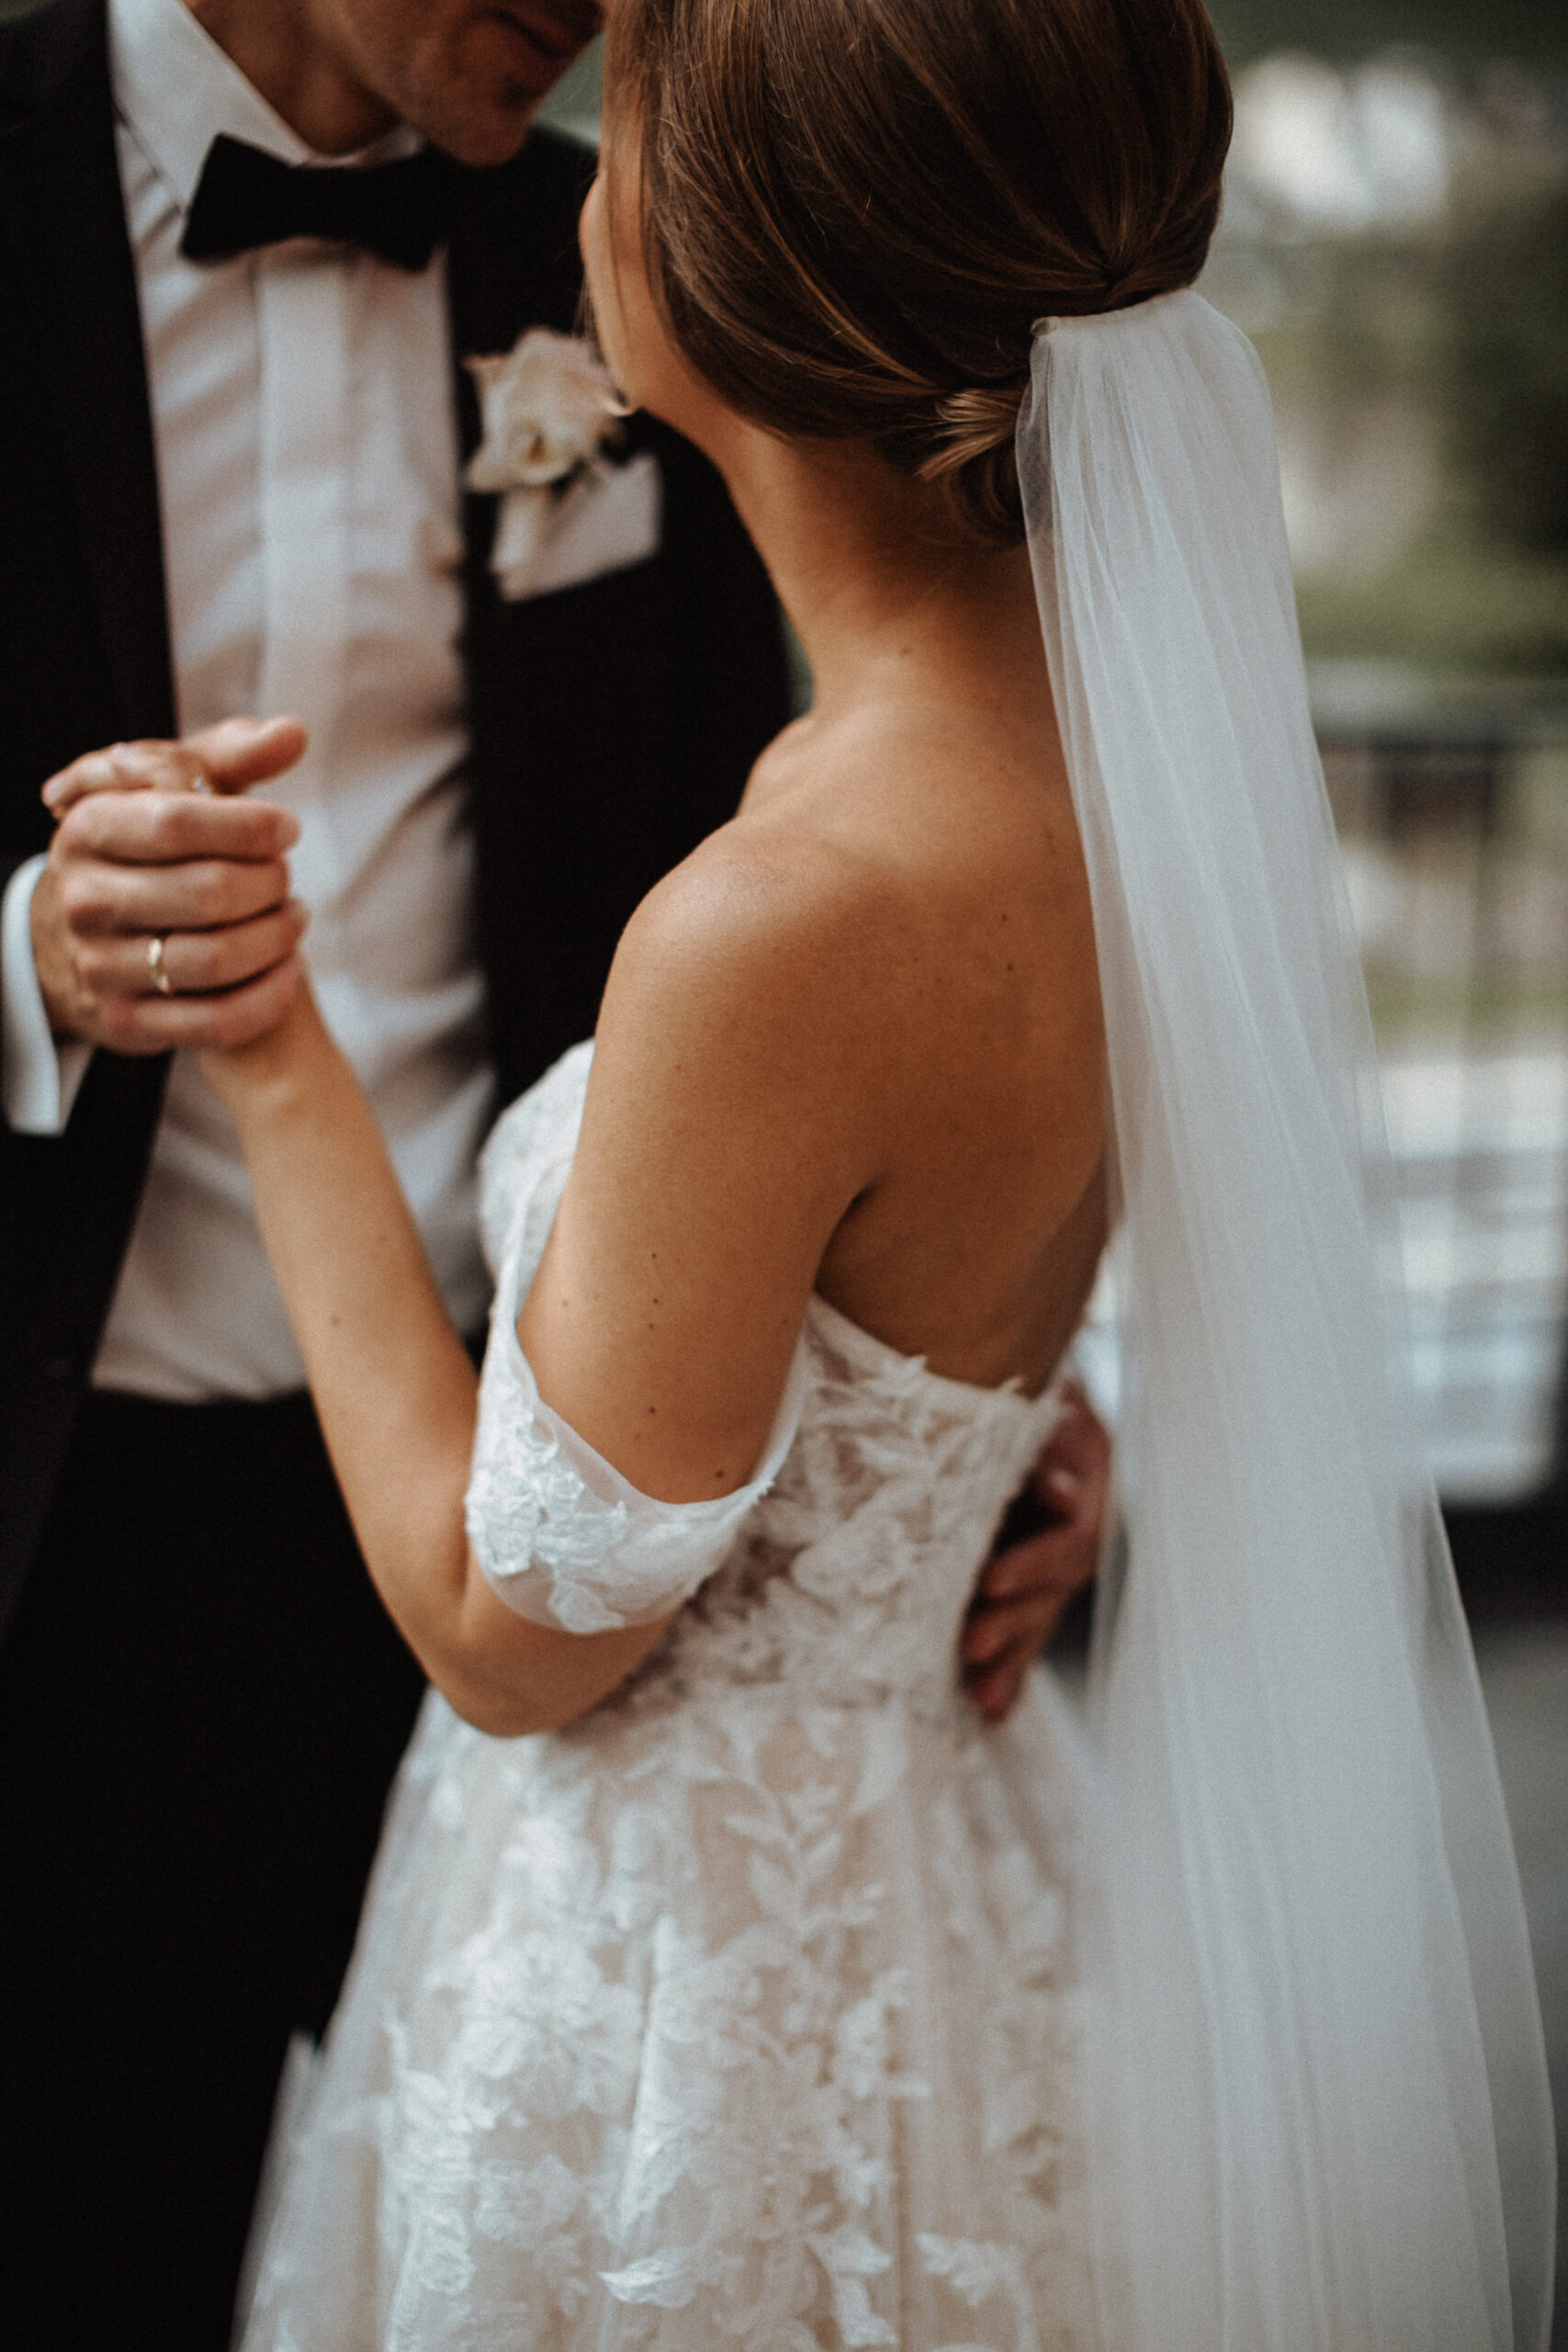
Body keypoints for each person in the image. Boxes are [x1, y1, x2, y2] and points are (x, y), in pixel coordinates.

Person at [41, 0, 1558, 2346]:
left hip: (647, 1931)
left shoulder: (781, 909)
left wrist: (265, 1032)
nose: (585, 131)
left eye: (629, 124)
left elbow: (501, 1624)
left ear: (718, 274)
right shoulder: (1142, 775)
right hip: (183, 1585)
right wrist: (935, 1429)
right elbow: (914, 1206)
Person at [0, 0, 1111, 2342]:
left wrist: (989, 1387)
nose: (598, 8)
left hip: (597, 1543)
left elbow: (874, 960)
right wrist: (29, 950)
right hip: (77, 1537)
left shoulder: (671, 253)